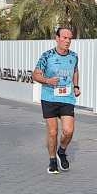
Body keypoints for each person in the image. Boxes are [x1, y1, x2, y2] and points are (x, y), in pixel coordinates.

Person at [31, 27, 81, 174]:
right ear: (57, 38)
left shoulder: (74, 56)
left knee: (68, 131)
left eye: (70, 38)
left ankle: (62, 151)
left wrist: (76, 86)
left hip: (67, 98)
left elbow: (75, 71)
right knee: (53, 132)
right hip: (49, 98)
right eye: (64, 38)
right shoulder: (47, 56)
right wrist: (48, 81)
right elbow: (35, 75)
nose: (67, 41)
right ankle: (52, 161)